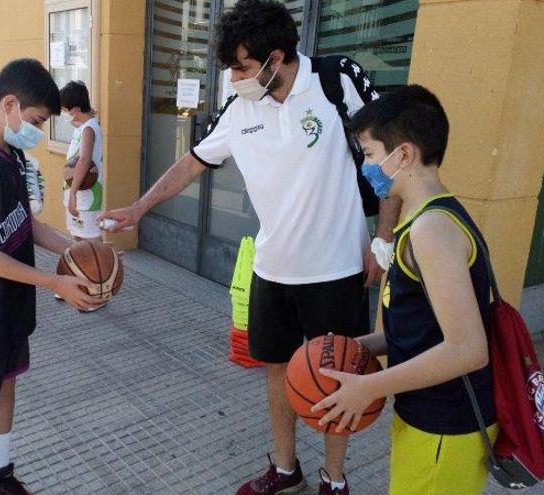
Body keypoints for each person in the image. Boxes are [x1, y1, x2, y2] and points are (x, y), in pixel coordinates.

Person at [100, 2, 401, 494]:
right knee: (279, 372)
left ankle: (335, 478)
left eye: (241, 67)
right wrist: (139, 208)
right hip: (273, 269)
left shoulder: (334, 80)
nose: (234, 77)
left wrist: (383, 241)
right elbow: (192, 163)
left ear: (274, 58)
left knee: (338, 375)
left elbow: (388, 158)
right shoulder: (241, 109)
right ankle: (286, 469)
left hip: (338, 268)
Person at [312, 85, 497, 494]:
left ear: (405, 155)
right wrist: (351, 346)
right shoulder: (420, 220)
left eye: (372, 155)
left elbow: (468, 348)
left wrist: (369, 387)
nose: (366, 166)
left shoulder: (432, 230)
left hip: (446, 426)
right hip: (425, 417)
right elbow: (420, 331)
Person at [0, 58, 101, 495]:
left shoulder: (11, 155)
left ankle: (0, 477)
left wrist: (77, 249)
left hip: (9, 303)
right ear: (8, 104)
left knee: (5, 389)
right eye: (34, 120)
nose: (35, 130)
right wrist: (54, 282)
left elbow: (26, 224)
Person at [59, 80, 105, 243]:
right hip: (80, 196)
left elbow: (84, 160)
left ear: (76, 110)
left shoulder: (88, 130)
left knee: (90, 244)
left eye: (64, 110)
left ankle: (108, 265)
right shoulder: (86, 125)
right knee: (79, 241)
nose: (62, 114)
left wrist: (72, 194)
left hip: (85, 197)